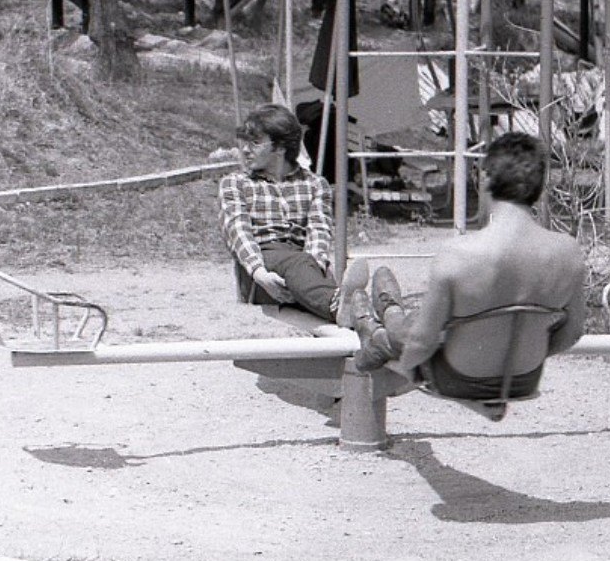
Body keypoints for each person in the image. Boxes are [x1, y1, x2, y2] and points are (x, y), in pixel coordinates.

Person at [340, 132, 588, 396]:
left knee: (421, 326)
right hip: (523, 377)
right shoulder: (568, 251)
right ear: (539, 186)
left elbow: (421, 342)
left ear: (485, 180)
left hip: (459, 378)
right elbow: (572, 332)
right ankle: (387, 315)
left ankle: (381, 327)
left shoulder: (459, 252)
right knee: (460, 316)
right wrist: (526, 356)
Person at [217, 102, 344, 321]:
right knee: (298, 263)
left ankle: (375, 315)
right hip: (260, 271)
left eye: (255, 143)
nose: (245, 150)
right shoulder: (235, 183)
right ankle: (339, 306)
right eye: (245, 142)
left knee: (302, 263)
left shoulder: (315, 184)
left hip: (302, 269)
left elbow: (319, 232)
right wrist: (259, 272)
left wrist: (314, 266)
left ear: (280, 147)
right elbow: (238, 233)